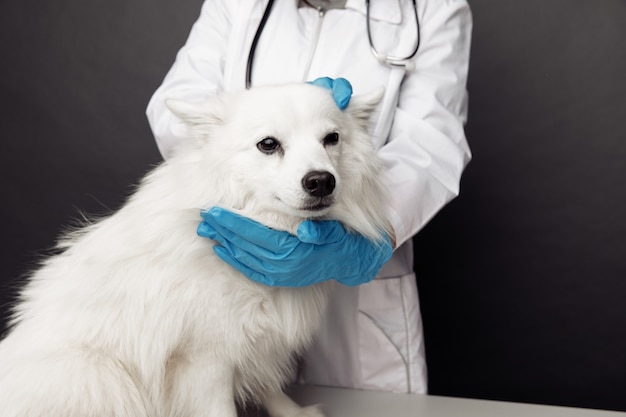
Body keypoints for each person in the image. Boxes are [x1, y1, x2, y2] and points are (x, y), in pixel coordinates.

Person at [146, 0, 472, 394]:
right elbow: (178, 112)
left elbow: (431, 148)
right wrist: (248, 138)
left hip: (357, 295)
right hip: (240, 257)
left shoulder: (432, 9)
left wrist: (371, 236)